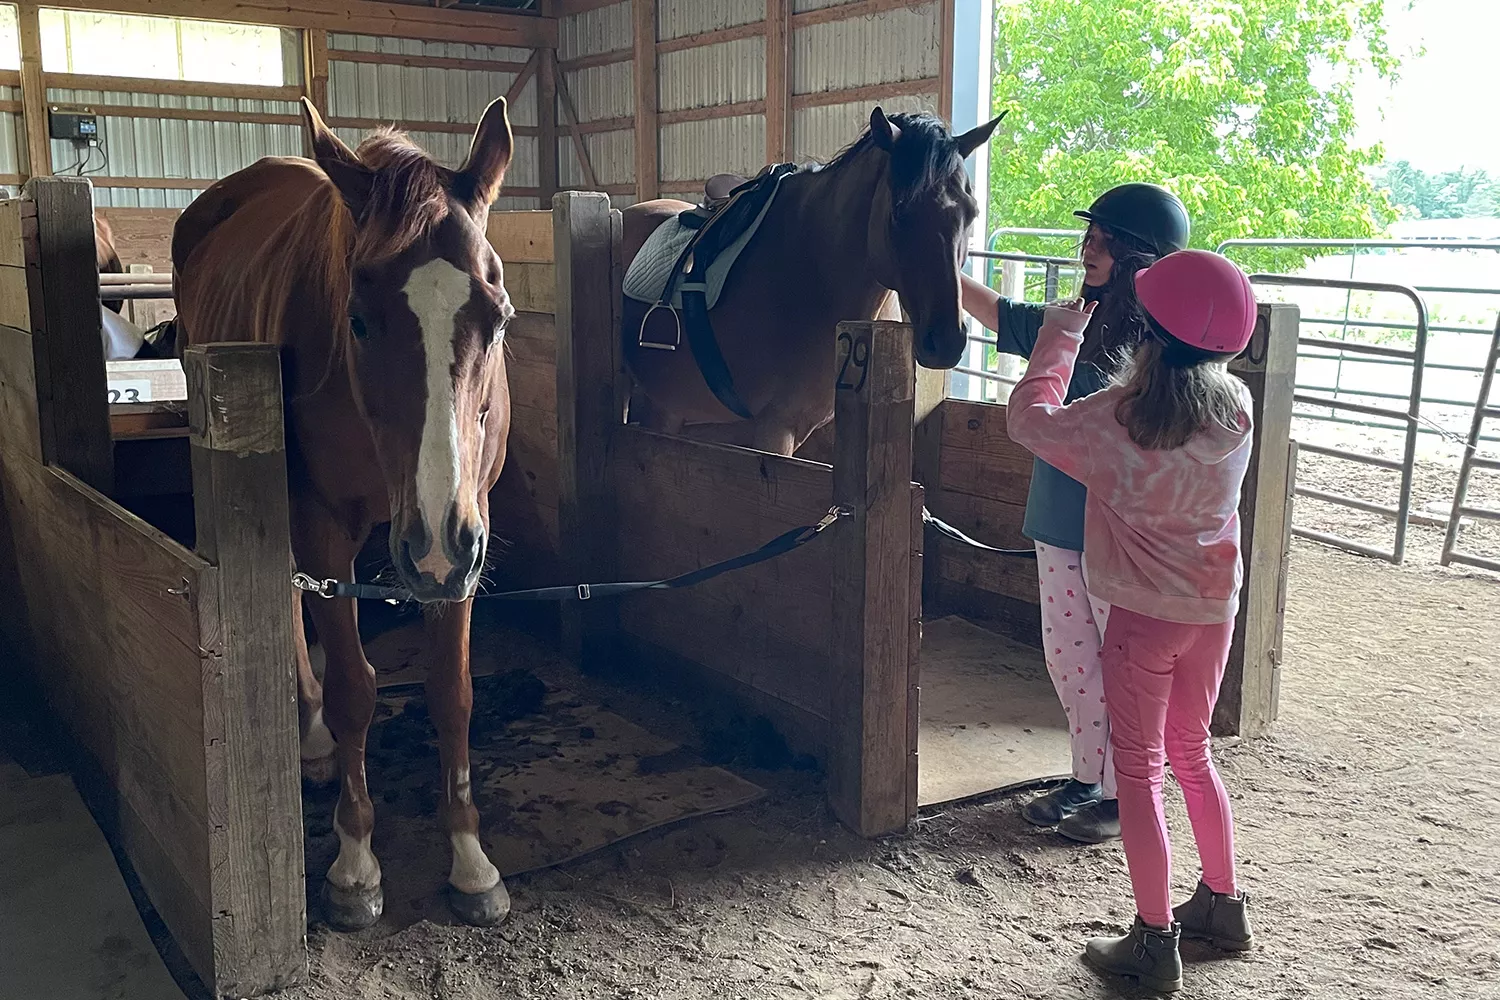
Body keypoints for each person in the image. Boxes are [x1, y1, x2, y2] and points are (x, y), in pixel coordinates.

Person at [1004, 249, 1259, 993]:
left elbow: (1028, 420)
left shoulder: (1112, 421)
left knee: (1140, 771)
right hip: (1212, 612)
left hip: (1142, 618)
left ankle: (1153, 940)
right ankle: (1222, 901)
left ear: (1144, 329)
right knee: (1192, 752)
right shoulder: (1235, 409)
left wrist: (1059, 335)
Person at [958, 182, 1191, 844]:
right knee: (1070, 659)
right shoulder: (1072, 320)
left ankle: (1123, 794)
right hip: (1057, 524)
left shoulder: (1160, 351)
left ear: (1137, 255)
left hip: (1118, 534)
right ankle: (1088, 776)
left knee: (1119, 661)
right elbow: (994, 310)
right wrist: (936, 260)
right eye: (1089, 238)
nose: (1086, 248)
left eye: (1101, 241)